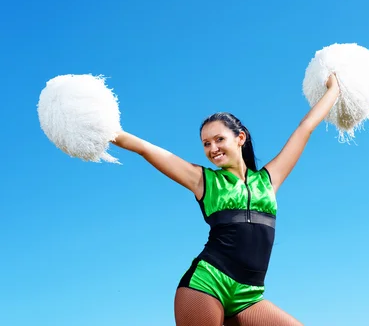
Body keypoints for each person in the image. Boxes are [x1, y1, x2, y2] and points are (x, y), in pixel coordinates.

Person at [111, 73, 341, 325]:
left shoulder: (269, 180)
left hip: (249, 296)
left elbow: (305, 128)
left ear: (240, 138)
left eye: (219, 139)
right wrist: (102, 129)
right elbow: (146, 148)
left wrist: (333, 89)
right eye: (206, 143)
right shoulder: (203, 180)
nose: (212, 148)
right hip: (207, 284)